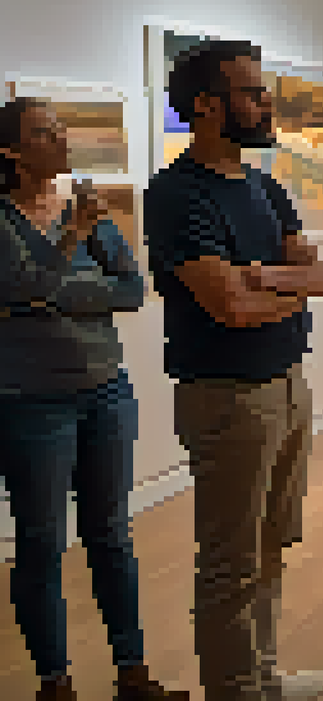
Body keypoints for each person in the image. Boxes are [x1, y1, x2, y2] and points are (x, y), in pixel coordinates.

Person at [142, 40, 323, 701]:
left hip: (287, 385)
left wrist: (262, 277)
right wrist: (283, 288)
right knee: (232, 562)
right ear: (206, 106)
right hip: (227, 398)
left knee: (273, 546)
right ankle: (237, 690)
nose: (266, 103)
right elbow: (227, 306)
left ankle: (263, 677)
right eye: (252, 92)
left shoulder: (264, 187)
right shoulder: (177, 195)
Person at [0, 99, 188, 701]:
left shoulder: (89, 210)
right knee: (40, 539)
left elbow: (132, 289)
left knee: (110, 532)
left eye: (59, 127)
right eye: (43, 132)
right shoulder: (7, 221)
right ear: (11, 151)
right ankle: (54, 682)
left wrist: (54, 292)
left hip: (107, 392)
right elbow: (21, 283)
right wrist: (71, 250)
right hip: (30, 402)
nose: (60, 137)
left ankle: (132, 671)